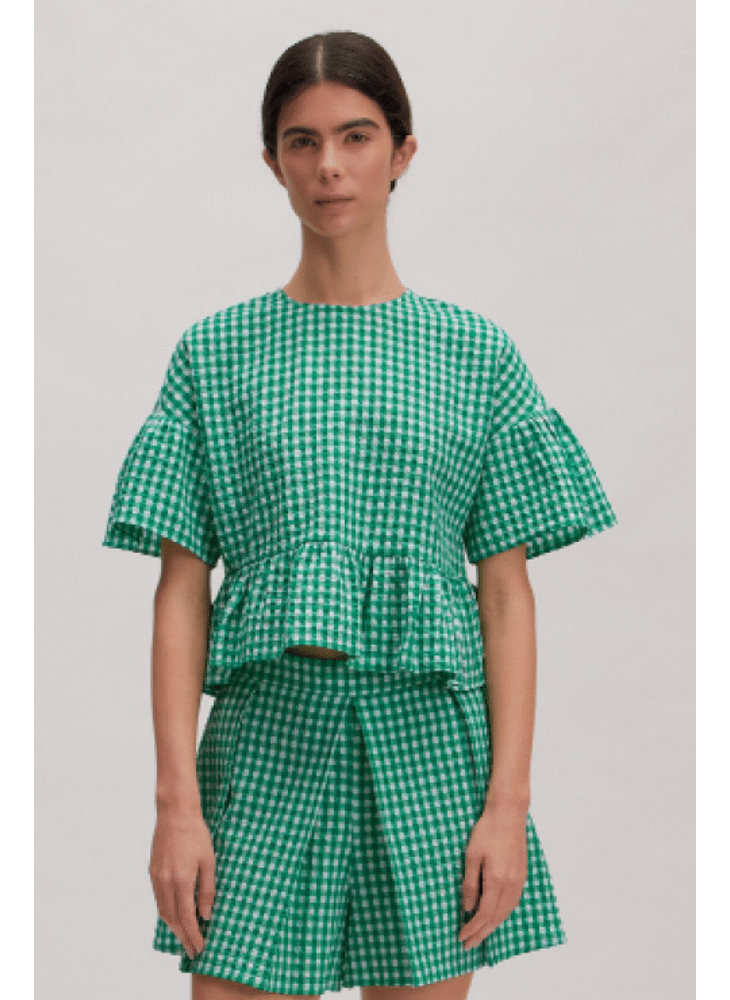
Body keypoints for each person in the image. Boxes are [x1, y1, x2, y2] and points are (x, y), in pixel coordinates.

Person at [102, 30, 618, 1000]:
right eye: (301, 142)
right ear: (272, 162)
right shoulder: (214, 354)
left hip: (430, 750)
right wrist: (176, 803)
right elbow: (180, 591)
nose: (329, 166)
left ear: (402, 152)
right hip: (265, 747)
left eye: (356, 135)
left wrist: (506, 804)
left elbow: (505, 596)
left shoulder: (475, 354)